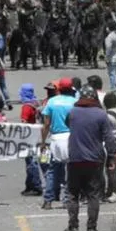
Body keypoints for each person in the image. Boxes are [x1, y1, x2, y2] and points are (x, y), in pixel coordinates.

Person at [63, 85, 116, 231]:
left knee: (73, 194)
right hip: (95, 160)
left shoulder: (72, 112)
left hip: (75, 159)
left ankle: (73, 226)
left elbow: (68, 124)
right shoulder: (101, 114)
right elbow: (109, 138)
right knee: (93, 194)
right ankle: (91, 228)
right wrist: (111, 157)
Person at [39, 77, 75, 210]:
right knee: (69, 170)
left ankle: (48, 200)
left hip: (55, 138)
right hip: (70, 137)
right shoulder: (75, 102)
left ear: (59, 88)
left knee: (52, 170)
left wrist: (43, 142)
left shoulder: (52, 102)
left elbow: (46, 124)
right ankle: (66, 200)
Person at [19, 83, 42, 196]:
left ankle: (36, 186)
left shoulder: (26, 107)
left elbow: (24, 123)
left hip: (29, 138)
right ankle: (29, 186)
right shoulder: (35, 103)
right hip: (36, 136)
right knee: (30, 161)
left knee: (31, 162)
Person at [103, 93, 116, 203]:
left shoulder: (107, 115)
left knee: (111, 169)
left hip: (112, 144)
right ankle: (109, 191)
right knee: (112, 168)